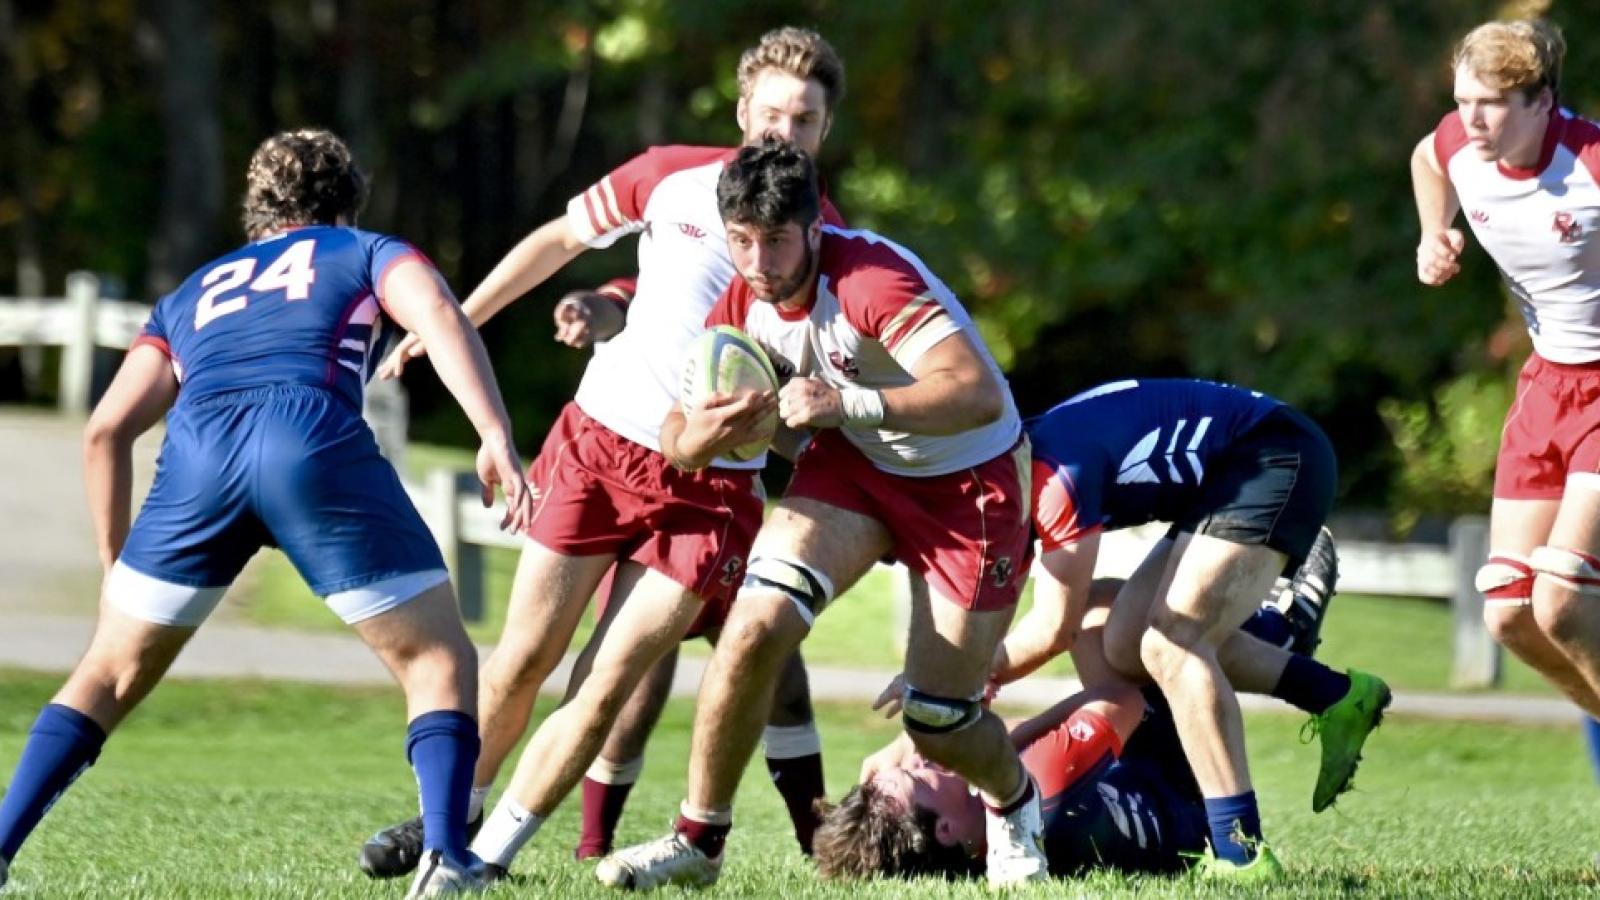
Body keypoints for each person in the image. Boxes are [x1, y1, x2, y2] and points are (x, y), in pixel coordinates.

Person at [358, 27, 847, 880]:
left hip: (710, 491)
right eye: (771, 113)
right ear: (742, 112)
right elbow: (558, 242)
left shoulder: (828, 243)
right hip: (596, 445)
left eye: (804, 120)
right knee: (520, 659)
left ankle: (481, 859)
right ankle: (451, 818)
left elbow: (824, 378)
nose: (784, 133)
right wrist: (458, 322)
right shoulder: (668, 176)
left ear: (824, 132)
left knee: (604, 678)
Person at [0, 130, 532, 899]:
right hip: (307, 441)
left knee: (107, 673)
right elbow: (438, 313)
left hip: (198, 459)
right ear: (347, 202)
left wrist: (115, 567)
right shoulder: (364, 250)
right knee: (438, 659)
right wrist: (493, 434)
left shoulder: (191, 291)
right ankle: (447, 856)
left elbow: (105, 430)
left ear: (255, 210)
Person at [596, 139, 1041, 890]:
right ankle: (698, 841)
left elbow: (977, 392)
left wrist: (845, 404)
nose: (758, 263)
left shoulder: (870, 278)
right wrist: (704, 432)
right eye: (741, 242)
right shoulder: (743, 300)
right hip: (859, 468)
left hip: (969, 484)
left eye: (774, 241)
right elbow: (679, 440)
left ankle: (1014, 803)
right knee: (755, 623)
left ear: (813, 228)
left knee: (938, 717)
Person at [1002, 378, 1387, 878]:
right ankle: (1335, 693)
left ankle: (1240, 853)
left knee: (1171, 644)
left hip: (1274, 454)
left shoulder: (1055, 477)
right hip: (1238, 468)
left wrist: (956, 690)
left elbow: (1052, 627)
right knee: (1121, 645)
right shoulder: (1022, 460)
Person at [1411, 18, 1600, 727]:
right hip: (1546, 386)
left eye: (1491, 103)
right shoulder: (1460, 142)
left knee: (1561, 598)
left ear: (1541, 102)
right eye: (1463, 100)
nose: (1472, 120)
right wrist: (1435, 231)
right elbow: (1427, 159)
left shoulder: (1589, 163)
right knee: (1509, 612)